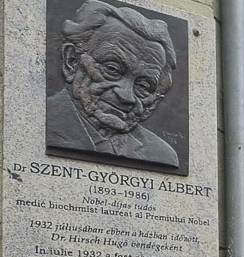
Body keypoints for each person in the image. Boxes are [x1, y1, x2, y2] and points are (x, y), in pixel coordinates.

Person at [47, 0, 180, 168]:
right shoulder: (36, 125)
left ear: (154, 101)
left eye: (143, 87)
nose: (126, 96)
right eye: (112, 70)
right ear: (71, 61)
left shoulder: (162, 155)